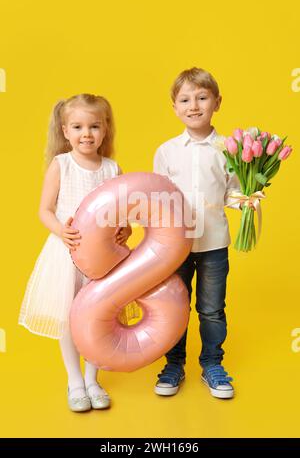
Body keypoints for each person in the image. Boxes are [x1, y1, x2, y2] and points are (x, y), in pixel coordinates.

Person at [19, 93, 132, 412]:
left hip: (103, 257)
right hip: (68, 255)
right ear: (65, 131)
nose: (87, 133)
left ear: (105, 129)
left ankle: (93, 379)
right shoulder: (62, 165)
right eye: (78, 126)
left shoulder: (112, 168)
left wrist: (126, 229)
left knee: (98, 316)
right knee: (70, 318)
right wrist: (61, 230)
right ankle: (75, 381)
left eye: (94, 126)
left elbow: (121, 212)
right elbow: (44, 210)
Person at [153, 67, 242, 399]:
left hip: (214, 244)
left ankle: (212, 363)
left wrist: (247, 200)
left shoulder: (229, 149)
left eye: (202, 98)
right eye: (185, 99)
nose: (194, 105)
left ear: (217, 102)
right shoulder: (167, 151)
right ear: (174, 107)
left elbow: (233, 191)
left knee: (212, 308)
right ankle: (174, 363)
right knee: (175, 307)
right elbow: (157, 196)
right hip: (174, 246)